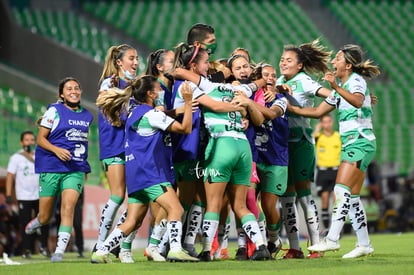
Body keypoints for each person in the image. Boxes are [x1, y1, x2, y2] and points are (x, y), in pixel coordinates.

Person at [171, 50, 271, 261]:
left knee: (214, 204)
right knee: (240, 205)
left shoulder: (208, 86)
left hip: (221, 145)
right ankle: (261, 246)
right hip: (243, 147)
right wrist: (269, 82)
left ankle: (207, 250)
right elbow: (257, 84)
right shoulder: (241, 90)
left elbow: (180, 72)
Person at [92, 75, 199, 263]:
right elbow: (185, 128)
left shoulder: (135, 113)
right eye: (158, 89)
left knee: (131, 221)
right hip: (152, 174)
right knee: (176, 209)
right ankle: (175, 249)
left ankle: (101, 252)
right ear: (149, 94)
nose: (160, 92)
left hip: (135, 175)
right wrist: (188, 103)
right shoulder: (152, 115)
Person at [289, 44, 380, 258]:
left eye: (338, 58)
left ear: (348, 65)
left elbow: (357, 101)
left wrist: (335, 87)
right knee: (353, 197)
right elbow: (318, 111)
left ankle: (331, 239)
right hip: (353, 144)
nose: (333, 61)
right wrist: (289, 108)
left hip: (360, 141)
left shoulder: (355, 81)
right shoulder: (343, 86)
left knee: (340, 190)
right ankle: (364, 243)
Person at [25, 77, 93, 262]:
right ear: (62, 94)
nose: (74, 91)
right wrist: (57, 150)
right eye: (69, 88)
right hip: (51, 167)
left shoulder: (87, 115)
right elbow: (40, 139)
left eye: (77, 88)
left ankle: (59, 252)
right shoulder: (54, 111)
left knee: (68, 208)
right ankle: (38, 221)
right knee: (46, 216)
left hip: (75, 168)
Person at [277, 39, 333, 259]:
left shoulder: (305, 81)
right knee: (286, 198)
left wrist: (315, 111)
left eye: (289, 60)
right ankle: (294, 247)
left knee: (303, 195)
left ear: (299, 65)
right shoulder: (279, 81)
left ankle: (316, 246)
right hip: (281, 144)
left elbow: (331, 96)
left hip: (300, 143)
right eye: (282, 59)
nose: (283, 63)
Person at [95, 44, 139, 263]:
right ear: (119, 62)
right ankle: (101, 243)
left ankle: (115, 242)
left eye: (137, 58)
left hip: (131, 146)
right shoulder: (111, 82)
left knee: (136, 197)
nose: (136, 62)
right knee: (118, 194)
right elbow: (107, 107)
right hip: (114, 145)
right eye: (131, 58)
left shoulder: (134, 84)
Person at [5, 131, 50, 258]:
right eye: (26, 140)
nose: (29, 142)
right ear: (21, 142)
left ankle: (44, 246)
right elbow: (10, 176)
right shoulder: (16, 158)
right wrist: (8, 194)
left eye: (31, 139)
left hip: (40, 195)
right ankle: (26, 249)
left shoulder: (39, 156)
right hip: (23, 196)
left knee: (43, 220)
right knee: (25, 223)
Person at [312, 114, 341, 232]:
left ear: (332, 122)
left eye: (329, 121)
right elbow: (311, 139)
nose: (327, 124)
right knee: (324, 198)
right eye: (324, 122)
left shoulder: (338, 136)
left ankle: (337, 227)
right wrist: (317, 129)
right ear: (321, 123)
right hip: (323, 171)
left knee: (336, 199)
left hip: (336, 170)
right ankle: (327, 228)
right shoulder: (319, 137)